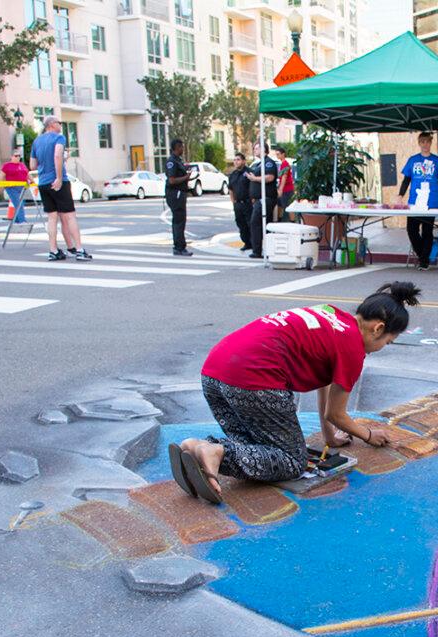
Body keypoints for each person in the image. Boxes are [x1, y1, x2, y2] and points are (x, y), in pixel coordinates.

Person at [172, 282, 421, 503]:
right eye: (386, 342)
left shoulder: (331, 314)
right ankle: (216, 451)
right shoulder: (353, 347)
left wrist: (329, 437)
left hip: (214, 373)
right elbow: (337, 414)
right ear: (377, 329)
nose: (381, 348)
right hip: (253, 381)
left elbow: (326, 384)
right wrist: (368, 435)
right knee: (291, 462)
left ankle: (196, 448)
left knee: (256, 448)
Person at [30, 115, 90, 261]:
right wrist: (58, 176)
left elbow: (32, 166)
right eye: (59, 123)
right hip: (58, 182)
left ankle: (53, 250)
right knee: (70, 216)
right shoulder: (59, 138)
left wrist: (48, 166)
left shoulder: (37, 141)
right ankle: (80, 250)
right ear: (51, 124)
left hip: (43, 183)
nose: (61, 125)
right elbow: (57, 155)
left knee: (52, 217)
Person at [399, 132, 438, 270]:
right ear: (419, 143)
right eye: (423, 142)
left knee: (427, 231)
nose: (425, 145)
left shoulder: (437, 161)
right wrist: (400, 195)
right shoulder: (413, 160)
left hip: (431, 200)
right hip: (415, 201)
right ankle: (423, 256)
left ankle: (424, 262)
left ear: (431, 143)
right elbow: (406, 179)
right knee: (411, 229)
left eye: (428, 142)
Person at [246, 141, 278, 259]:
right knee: (263, 224)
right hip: (260, 199)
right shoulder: (259, 164)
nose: (255, 150)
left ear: (264, 149)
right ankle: (265, 249)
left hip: (266, 199)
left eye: (257, 148)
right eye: (254, 148)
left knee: (256, 223)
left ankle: (257, 250)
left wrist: (254, 178)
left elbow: (270, 177)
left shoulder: (268, 163)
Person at [164, 139, 193, 257]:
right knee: (179, 221)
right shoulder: (171, 161)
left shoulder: (178, 161)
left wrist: (188, 177)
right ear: (176, 148)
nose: (183, 149)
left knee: (180, 220)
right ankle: (179, 247)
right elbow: (171, 180)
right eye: (181, 147)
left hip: (180, 193)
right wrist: (186, 177)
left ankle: (179, 246)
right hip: (175, 194)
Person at [227, 152, 253, 251]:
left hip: (247, 203)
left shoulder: (249, 172)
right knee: (240, 223)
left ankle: (253, 242)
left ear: (243, 161)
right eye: (235, 160)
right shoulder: (233, 174)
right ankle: (246, 242)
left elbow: (253, 186)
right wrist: (233, 201)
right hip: (238, 204)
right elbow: (231, 189)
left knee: (250, 223)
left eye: (238, 159)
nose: (236, 162)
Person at [0, 150, 30, 225]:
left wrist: (32, 181)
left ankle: (17, 220)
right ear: (12, 157)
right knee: (18, 203)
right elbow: (1, 176)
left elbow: (27, 174)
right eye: (16, 156)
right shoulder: (7, 165)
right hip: (11, 188)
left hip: (22, 187)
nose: (18, 157)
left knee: (20, 203)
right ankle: (22, 220)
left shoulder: (22, 165)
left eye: (19, 156)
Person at [276, 146, 295, 222]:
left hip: (287, 189)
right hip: (285, 189)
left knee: (288, 206)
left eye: (278, 154)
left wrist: (280, 189)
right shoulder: (284, 164)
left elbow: (284, 177)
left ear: (283, 154)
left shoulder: (285, 164)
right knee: (280, 205)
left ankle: (292, 222)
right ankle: (279, 220)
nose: (277, 156)